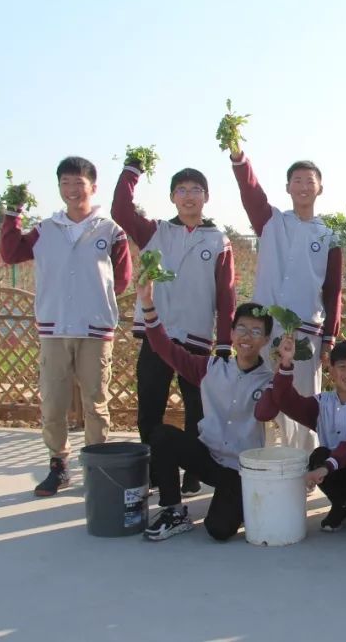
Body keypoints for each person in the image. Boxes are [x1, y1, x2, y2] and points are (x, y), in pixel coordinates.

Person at [0, 156, 132, 497]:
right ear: (59, 188)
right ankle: (58, 465)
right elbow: (12, 252)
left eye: (79, 183)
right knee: (53, 404)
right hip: (54, 329)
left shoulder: (110, 231)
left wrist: (92, 300)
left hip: (95, 330)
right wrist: (13, 213)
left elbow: (122, 280)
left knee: (95, 403)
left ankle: (97, 467)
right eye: (66, 184)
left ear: (93, 187)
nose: (73, 191)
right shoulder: (46, 230)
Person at [112, 158, 235, 495]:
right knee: (150, 405)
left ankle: (193, 472)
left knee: (197, 411)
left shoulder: (218, 240)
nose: (189, 196)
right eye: (181, 190)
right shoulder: (155, 231)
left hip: (196, 339)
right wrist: (132, 170)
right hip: (157, 335)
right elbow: (121, 210)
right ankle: (155, 469)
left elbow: (226, 295)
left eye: (196, 190)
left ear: (207, 197)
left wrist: (224, 343)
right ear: (172, 197)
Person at [137, 279, 279, 541]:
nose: (247, 336)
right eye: (242, 329)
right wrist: (147, 304)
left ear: (267, 339)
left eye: (256, 331)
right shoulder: (210, 368)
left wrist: (286, 370)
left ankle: (237, 502)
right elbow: (164, 348)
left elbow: (266, 414)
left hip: (239, 468)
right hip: (207, 457)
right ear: (232, 333)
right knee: (162, 435)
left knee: (219, 530)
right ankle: (173, 511)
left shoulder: (270, 380)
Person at [229, 148, 341, 451]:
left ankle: (305, 463)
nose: (303, 186)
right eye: (297, 180)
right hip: (264, 329)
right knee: (258, 394)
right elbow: (250, 192)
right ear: (288, 187)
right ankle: (256, 459)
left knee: (303, 400)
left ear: (320, 188)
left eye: (309, 180)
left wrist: (330, 337)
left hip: (305, 332)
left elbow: (333, 291)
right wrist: (239, 158)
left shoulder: (330, 235)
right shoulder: (271, 222)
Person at [268, 337, 346, 534]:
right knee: (317, 455)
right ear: (330, 371)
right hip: (332, 467)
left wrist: (328, 467)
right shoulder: (322, 402)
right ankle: (340, 505)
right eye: (342, 366)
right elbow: (287, 402)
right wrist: (285, 365)